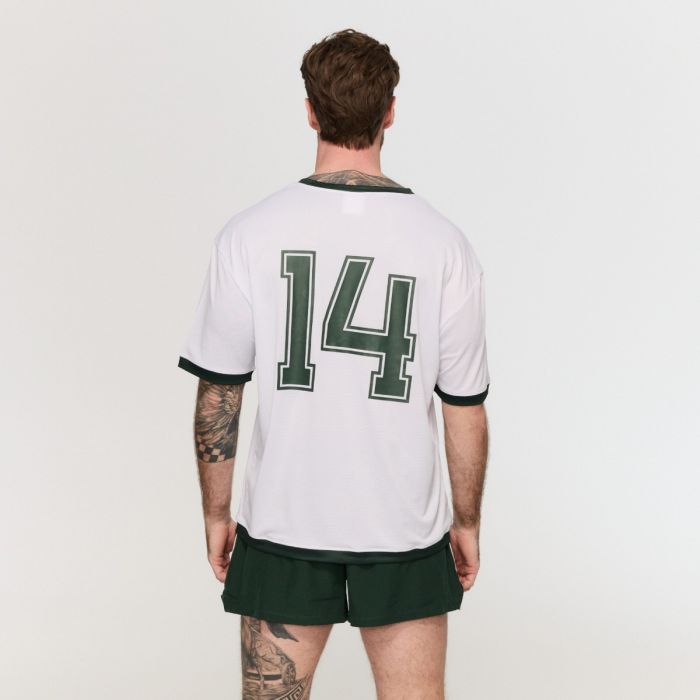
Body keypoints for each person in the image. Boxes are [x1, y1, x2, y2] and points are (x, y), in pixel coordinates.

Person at [178, 28, 490, 700]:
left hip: (284, 520)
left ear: (310, 111)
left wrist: (216, 512)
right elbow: (464, 407)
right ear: (391, 111)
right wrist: (466, 522)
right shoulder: (445, 244)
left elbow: (219, 395)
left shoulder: (249, 234)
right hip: (403, 526)